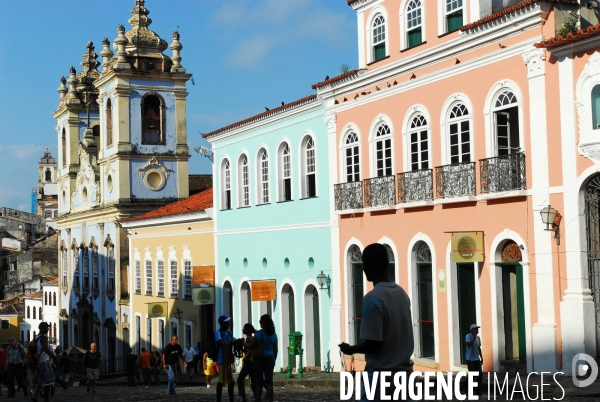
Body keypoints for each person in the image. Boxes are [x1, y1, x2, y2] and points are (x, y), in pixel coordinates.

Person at [339, 243, 414, 402]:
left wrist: (351, 349)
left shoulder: (373, 299)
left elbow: (374, 344)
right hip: (406, 378)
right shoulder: (402, 294)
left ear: (367, 266)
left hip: (381, 380)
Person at [248, 315, 277, 402]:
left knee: (258, 383)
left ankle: (258, 400)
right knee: (269, 382)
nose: (259, 323)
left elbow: (251, 345)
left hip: (259, 359)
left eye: (260, 321)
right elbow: (276, 349)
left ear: (263, 323)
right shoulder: (274, 334)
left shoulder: (259, 334)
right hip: (270, 358)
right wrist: (273, 359)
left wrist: (242, 343)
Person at [31, 322, 60, 402]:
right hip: (44, 361)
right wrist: (55, 358)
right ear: (42, 328)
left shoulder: (35, 337)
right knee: (48, 381)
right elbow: (46, 349)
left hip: (37, 362)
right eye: (47, 328)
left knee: (42, 379)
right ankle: (46, 399)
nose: (48, 329)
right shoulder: (44, 338)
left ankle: (35, 395)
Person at [215, 315, 235, 402]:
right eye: (227, 323)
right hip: (221, 359)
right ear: (222, 324)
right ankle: (218, 399)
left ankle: (231, 399)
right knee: (221, 380)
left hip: (228, 360)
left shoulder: (229, 333)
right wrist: (231, 342)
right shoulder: (218, 333)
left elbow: (234, 340)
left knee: (231, 381)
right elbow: (220, 343)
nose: (228, 324)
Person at [238, 323, 257, 402]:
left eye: (244, 328)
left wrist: (245, 358)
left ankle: (243, 397)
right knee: (254, 380)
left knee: (240, 379)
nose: (243, 329)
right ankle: (257, 398)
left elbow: (250, 350)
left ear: (247, 330)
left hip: (249, 362)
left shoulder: (248, 339)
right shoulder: (252, 338)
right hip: (254, 362)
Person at [466, 324, 483, 395]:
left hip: (476, 358)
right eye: (475, 329)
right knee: (472, 374)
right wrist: (473, 338)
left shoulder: (478, 338)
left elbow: (479, 348)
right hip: (470, 359)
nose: (477, 330)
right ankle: (466, 386)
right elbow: (468, 345)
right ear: (472, 330)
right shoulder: (468, 336)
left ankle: (478, 391)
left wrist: (482, 358)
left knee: (480, 375)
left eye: (477, 329)